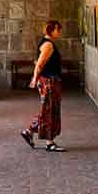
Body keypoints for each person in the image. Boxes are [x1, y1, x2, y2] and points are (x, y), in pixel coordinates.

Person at [21, 20, 66, 152]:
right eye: (58, 29)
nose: (59, 32)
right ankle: (49, 142)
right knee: (50, 110)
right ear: (51, 30)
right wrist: (34, 78)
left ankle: (29, 131)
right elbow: (39, 64)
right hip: (49, 81)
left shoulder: (47, 43)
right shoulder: (48, 45)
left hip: (51, 80)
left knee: (47, 110)